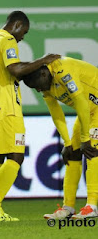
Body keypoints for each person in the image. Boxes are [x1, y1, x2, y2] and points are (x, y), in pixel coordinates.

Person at [0, 10, 60, 221]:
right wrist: (43, 60)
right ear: (16, 24)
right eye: (24, 31)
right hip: (7, 106)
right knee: (16, 155)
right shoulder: (7, 40)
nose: (23, 36)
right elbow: (15, 70)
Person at [22, 56, 98, 219]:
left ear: (43, 74)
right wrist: (67, 142)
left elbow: (80, 102)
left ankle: (92, 206)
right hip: (87, 111)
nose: (38, 90)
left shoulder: (63, 71)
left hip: (94, 108)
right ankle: (68, 207)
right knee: (72, 154)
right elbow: (57, 114)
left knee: (92, 151)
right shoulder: (46, 85)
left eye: (37, 86)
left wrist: (85, 139)